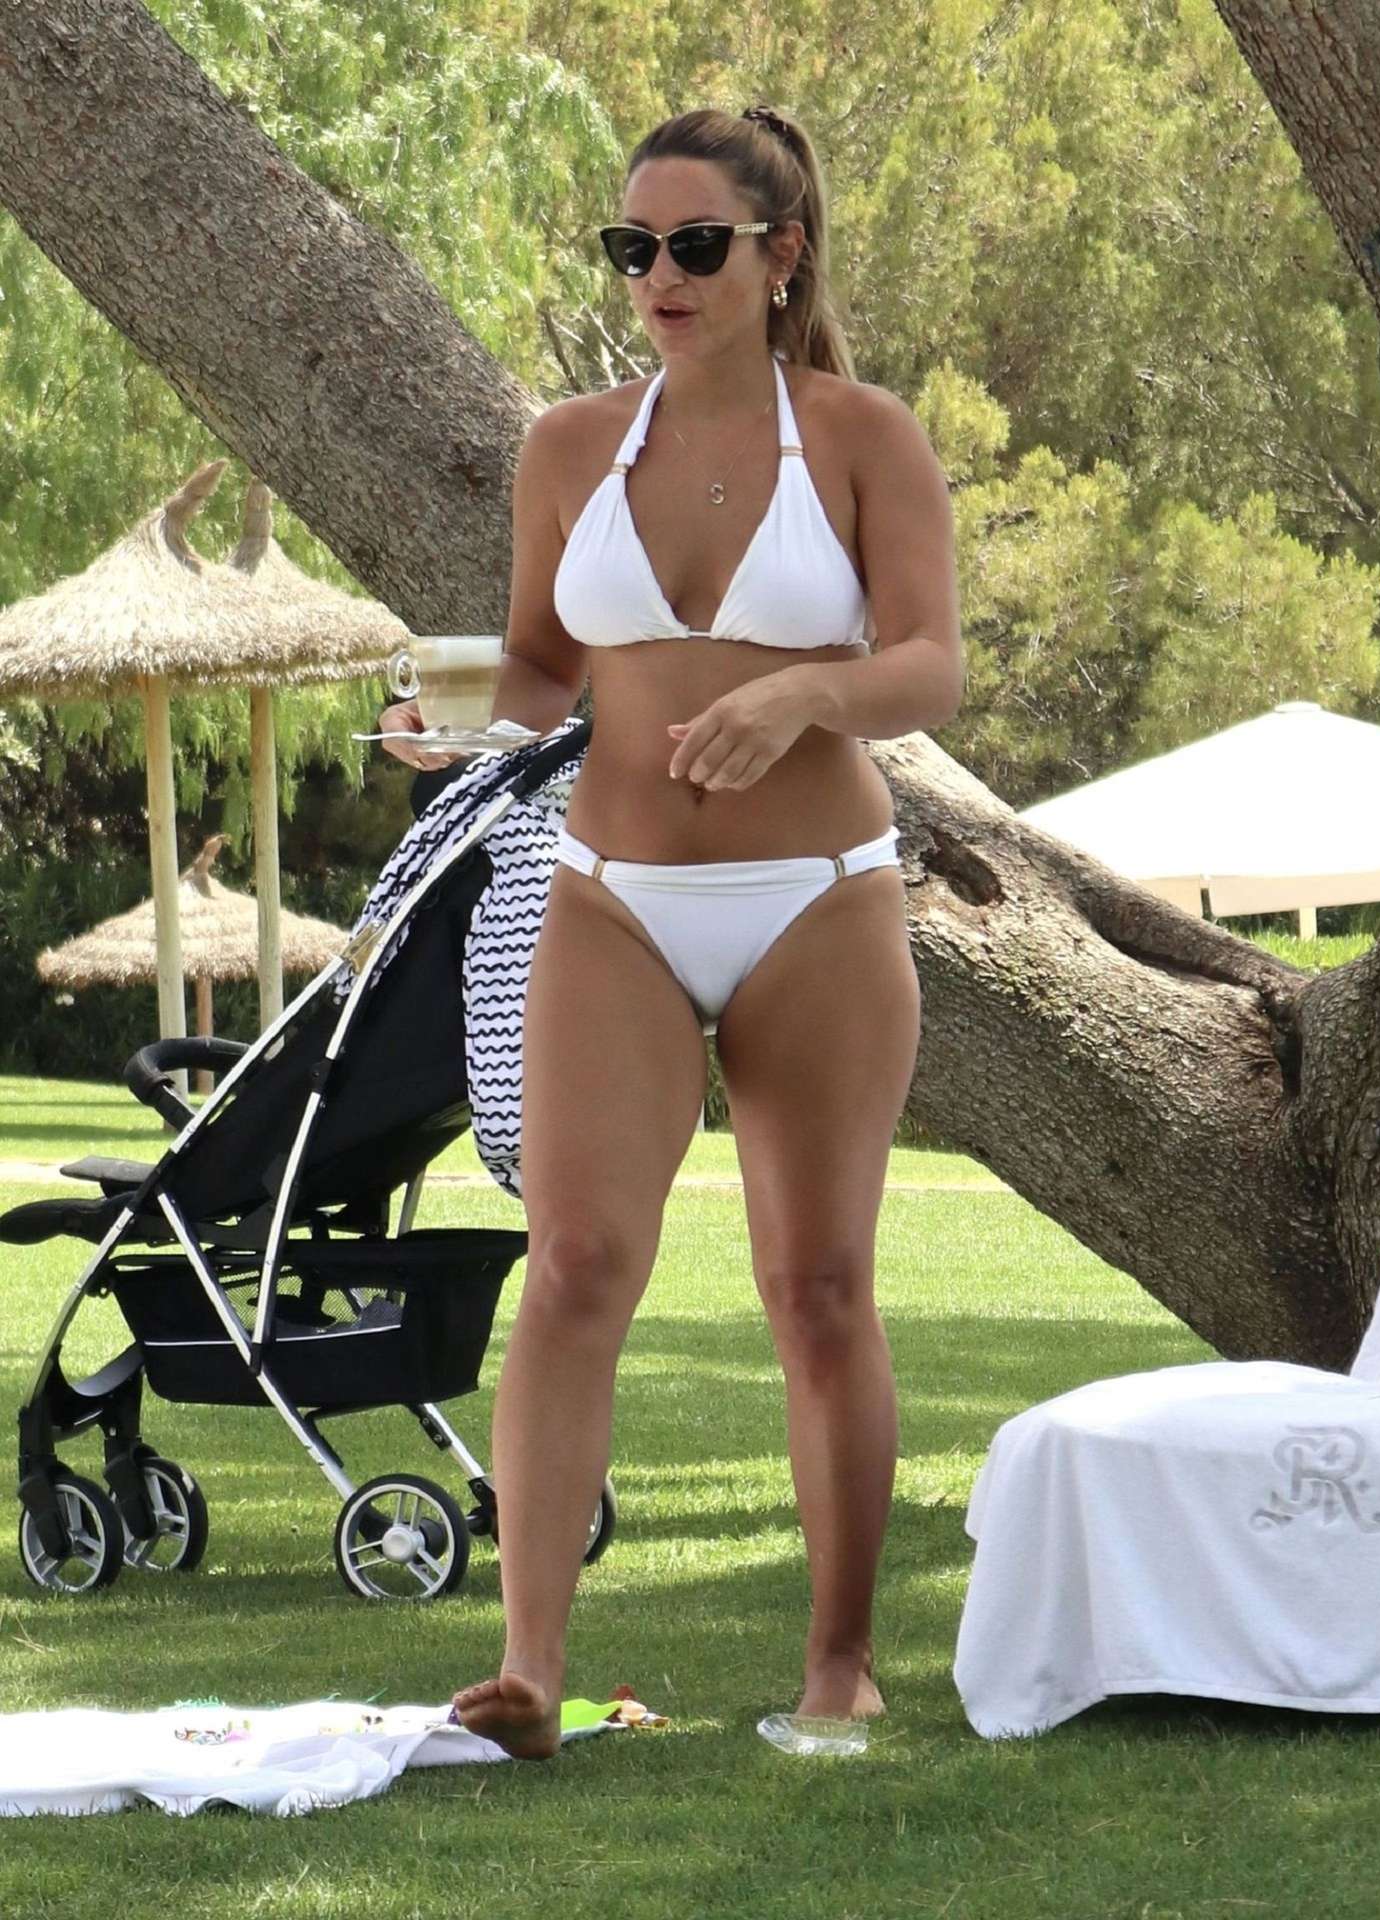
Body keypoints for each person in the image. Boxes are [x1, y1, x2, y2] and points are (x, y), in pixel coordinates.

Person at [381, 104, 962, 1757]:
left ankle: (839, 1662)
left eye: (694, 243)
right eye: (631, 247)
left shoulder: (859, 436)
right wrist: (445, 726)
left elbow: (928, 665)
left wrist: (802, 697)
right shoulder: (570, 447)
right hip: (611, 897)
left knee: (819, 1287)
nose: (658, 274)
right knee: (573, 1267)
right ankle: (528, 1668)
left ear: (780, 257)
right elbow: (540, 669)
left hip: (814, 899)